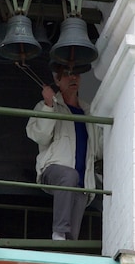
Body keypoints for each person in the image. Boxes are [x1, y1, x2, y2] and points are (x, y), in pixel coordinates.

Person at [26, 66, 102, 240]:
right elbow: (40, 136)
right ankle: (58, 231)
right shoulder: (47, 106)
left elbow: (98, 149)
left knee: (71, 240)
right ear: (58, 81)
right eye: (67, 74)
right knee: (69, 176)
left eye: (76, 74)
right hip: (55, 171)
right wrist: (49, 106)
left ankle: (63, 248)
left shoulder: (88, 112)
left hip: (83, 181)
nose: (73, 78)